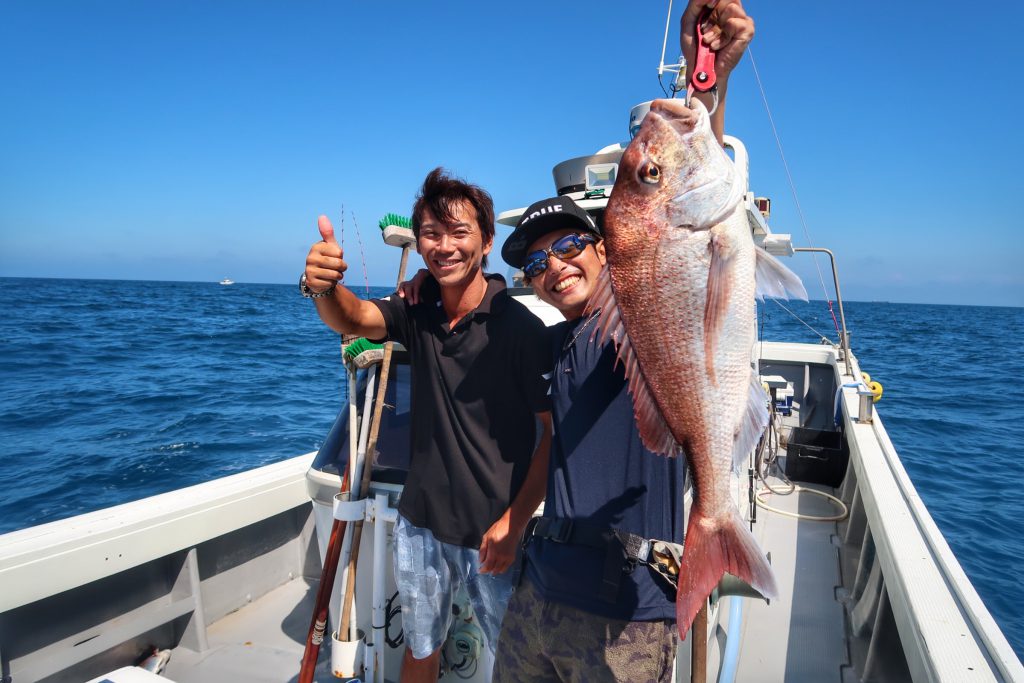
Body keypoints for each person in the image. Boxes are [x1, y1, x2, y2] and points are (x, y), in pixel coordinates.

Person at [490, 2, 755, 681]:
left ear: (608, 251)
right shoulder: (554, 346)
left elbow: (691, 189)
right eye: (535, 262)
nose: (554, 266)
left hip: (627, 611)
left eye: (570, 246)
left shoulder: (632, 326)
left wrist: (708, 81)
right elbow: (549, 447)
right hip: (539, 587)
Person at [301, 168, 553, 683]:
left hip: (495, 531)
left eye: (459, 232)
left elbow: (552, 435)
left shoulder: (521, 329)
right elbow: (354, 318)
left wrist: (514, 525)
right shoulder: (416, 310)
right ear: (419, 245)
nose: (445, 246)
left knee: (519, 662)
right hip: (420, 523)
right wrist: (325, 287)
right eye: (431, 235)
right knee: (421, 648)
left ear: (486, 241)